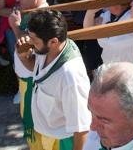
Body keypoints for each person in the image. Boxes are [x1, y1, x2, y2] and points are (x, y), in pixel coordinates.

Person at [15, 9, 91, 150]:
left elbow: (82, 128)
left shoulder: (71, 77)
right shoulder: (49, 49)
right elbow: (36, 70)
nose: (30, 42)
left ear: (53, 42)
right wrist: (23, 56)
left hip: (62, 143)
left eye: (35, 41)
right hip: (47, 136)